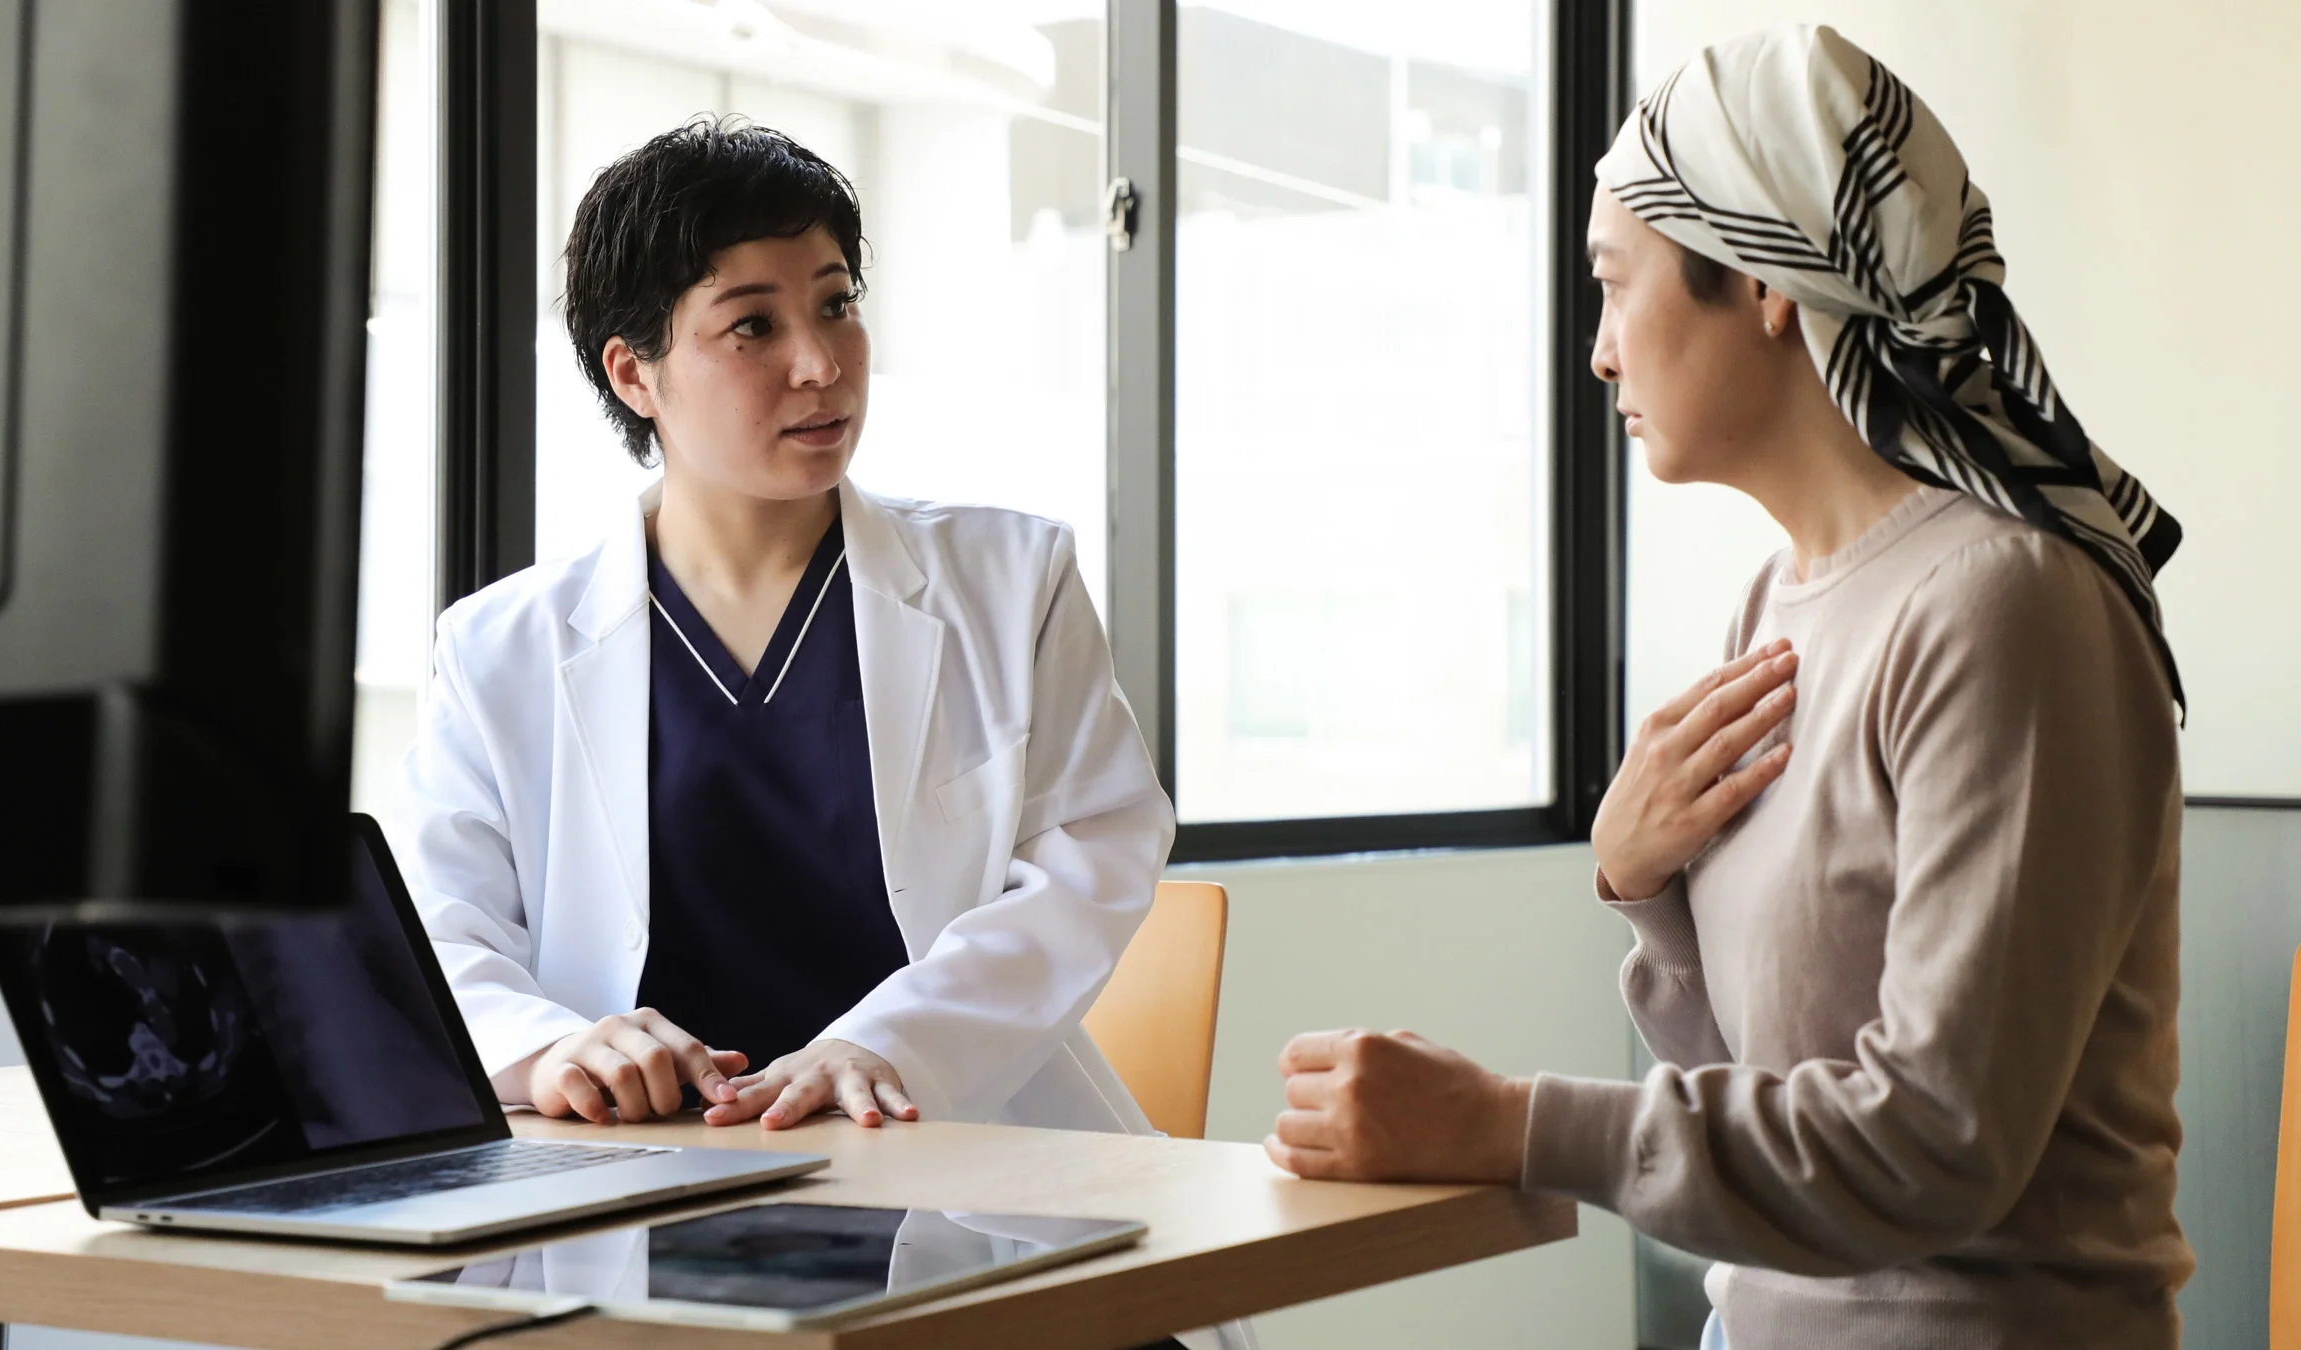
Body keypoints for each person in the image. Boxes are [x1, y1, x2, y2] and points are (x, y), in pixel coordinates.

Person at [1265, 26, 2189, 1350]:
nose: (1598, 353)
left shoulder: (2005, 605)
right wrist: (1648, 890)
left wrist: (1509, 1121)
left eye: (1613, 283)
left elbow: (1937, 1141)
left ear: (1761, 279)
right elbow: (1747, 1108)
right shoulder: (1777, 606)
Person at [394, 116, 1172, 1142]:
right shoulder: (499, 648)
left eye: (837, 304)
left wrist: (888, 1044)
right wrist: (551, 1048)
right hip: (638, 1169)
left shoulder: (1013, 582)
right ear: (634, 373)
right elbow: (439, 928)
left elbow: (1089, 861)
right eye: (752, 325)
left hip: (944, 1144)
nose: (821, 363)